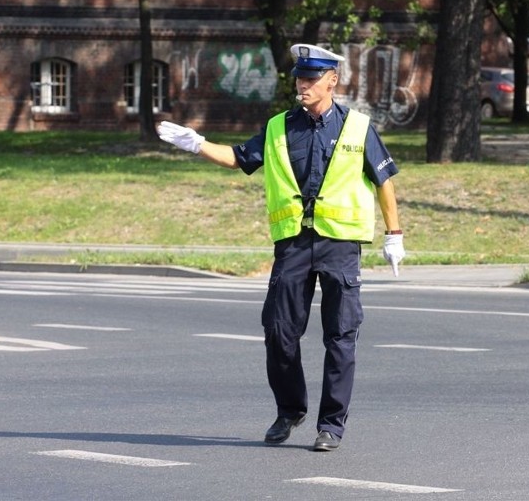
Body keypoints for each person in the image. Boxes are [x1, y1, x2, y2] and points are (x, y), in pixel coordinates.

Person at [158, 43, 405, 452]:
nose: (301, 86)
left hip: (340, 244)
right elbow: (239, 158)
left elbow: (384, 181)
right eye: (298, 79)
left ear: (332, 81)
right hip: (293, 244)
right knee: (279, 332)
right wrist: (196, 144)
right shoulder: (279, 127)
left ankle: (331, 426)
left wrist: (394, 234)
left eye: (310, 79)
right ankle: (291, 409)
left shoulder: (359, 128)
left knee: (340, 336)